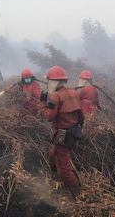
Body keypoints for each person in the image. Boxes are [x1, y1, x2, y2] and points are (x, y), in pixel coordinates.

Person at [40, 65, 84, 199]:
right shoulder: (74, 93)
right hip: (73, 133)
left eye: (49, 81)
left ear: (54, 81)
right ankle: (54, 175)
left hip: (63, 136)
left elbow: (48, 117)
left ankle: (78, 195)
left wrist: (43, 103)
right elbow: (82, 116)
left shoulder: (55, 96)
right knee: (53, 153)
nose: (48, 84)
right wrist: (78, 127)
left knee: (64, 169)